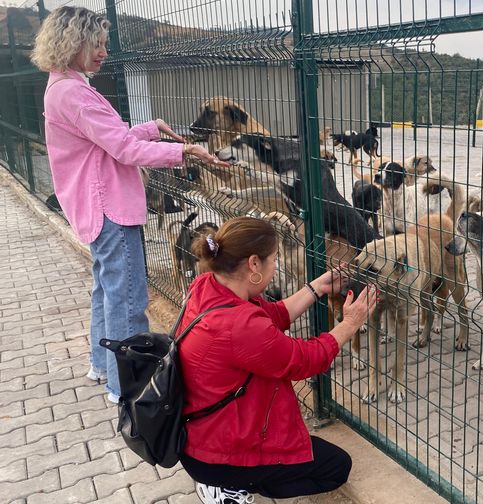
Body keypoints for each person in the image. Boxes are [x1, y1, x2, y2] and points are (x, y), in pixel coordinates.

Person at [30, 6, 227, 403]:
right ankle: (126, 386)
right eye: (97, 44)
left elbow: (108, 136)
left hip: (94, 205)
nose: (104, 52)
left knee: (107, 290)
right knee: (130, 298)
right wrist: (181, 151)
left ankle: (101, 365)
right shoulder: (73, 92)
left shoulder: (66, 86)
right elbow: (121, 147)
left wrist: (152, 128)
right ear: (73, 44)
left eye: (104, 43)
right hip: (109, 206)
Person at [179, 217, 377, 504]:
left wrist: (316, 288)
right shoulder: (238, 325)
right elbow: (306, 360)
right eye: (274, 260)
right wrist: (350, 323)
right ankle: (229, 485)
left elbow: (271, 315)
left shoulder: (208, 285)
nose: (276, 267)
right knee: (335, 467)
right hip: (217, 452)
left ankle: (226, 477)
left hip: (200, 433)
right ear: (254, 264)